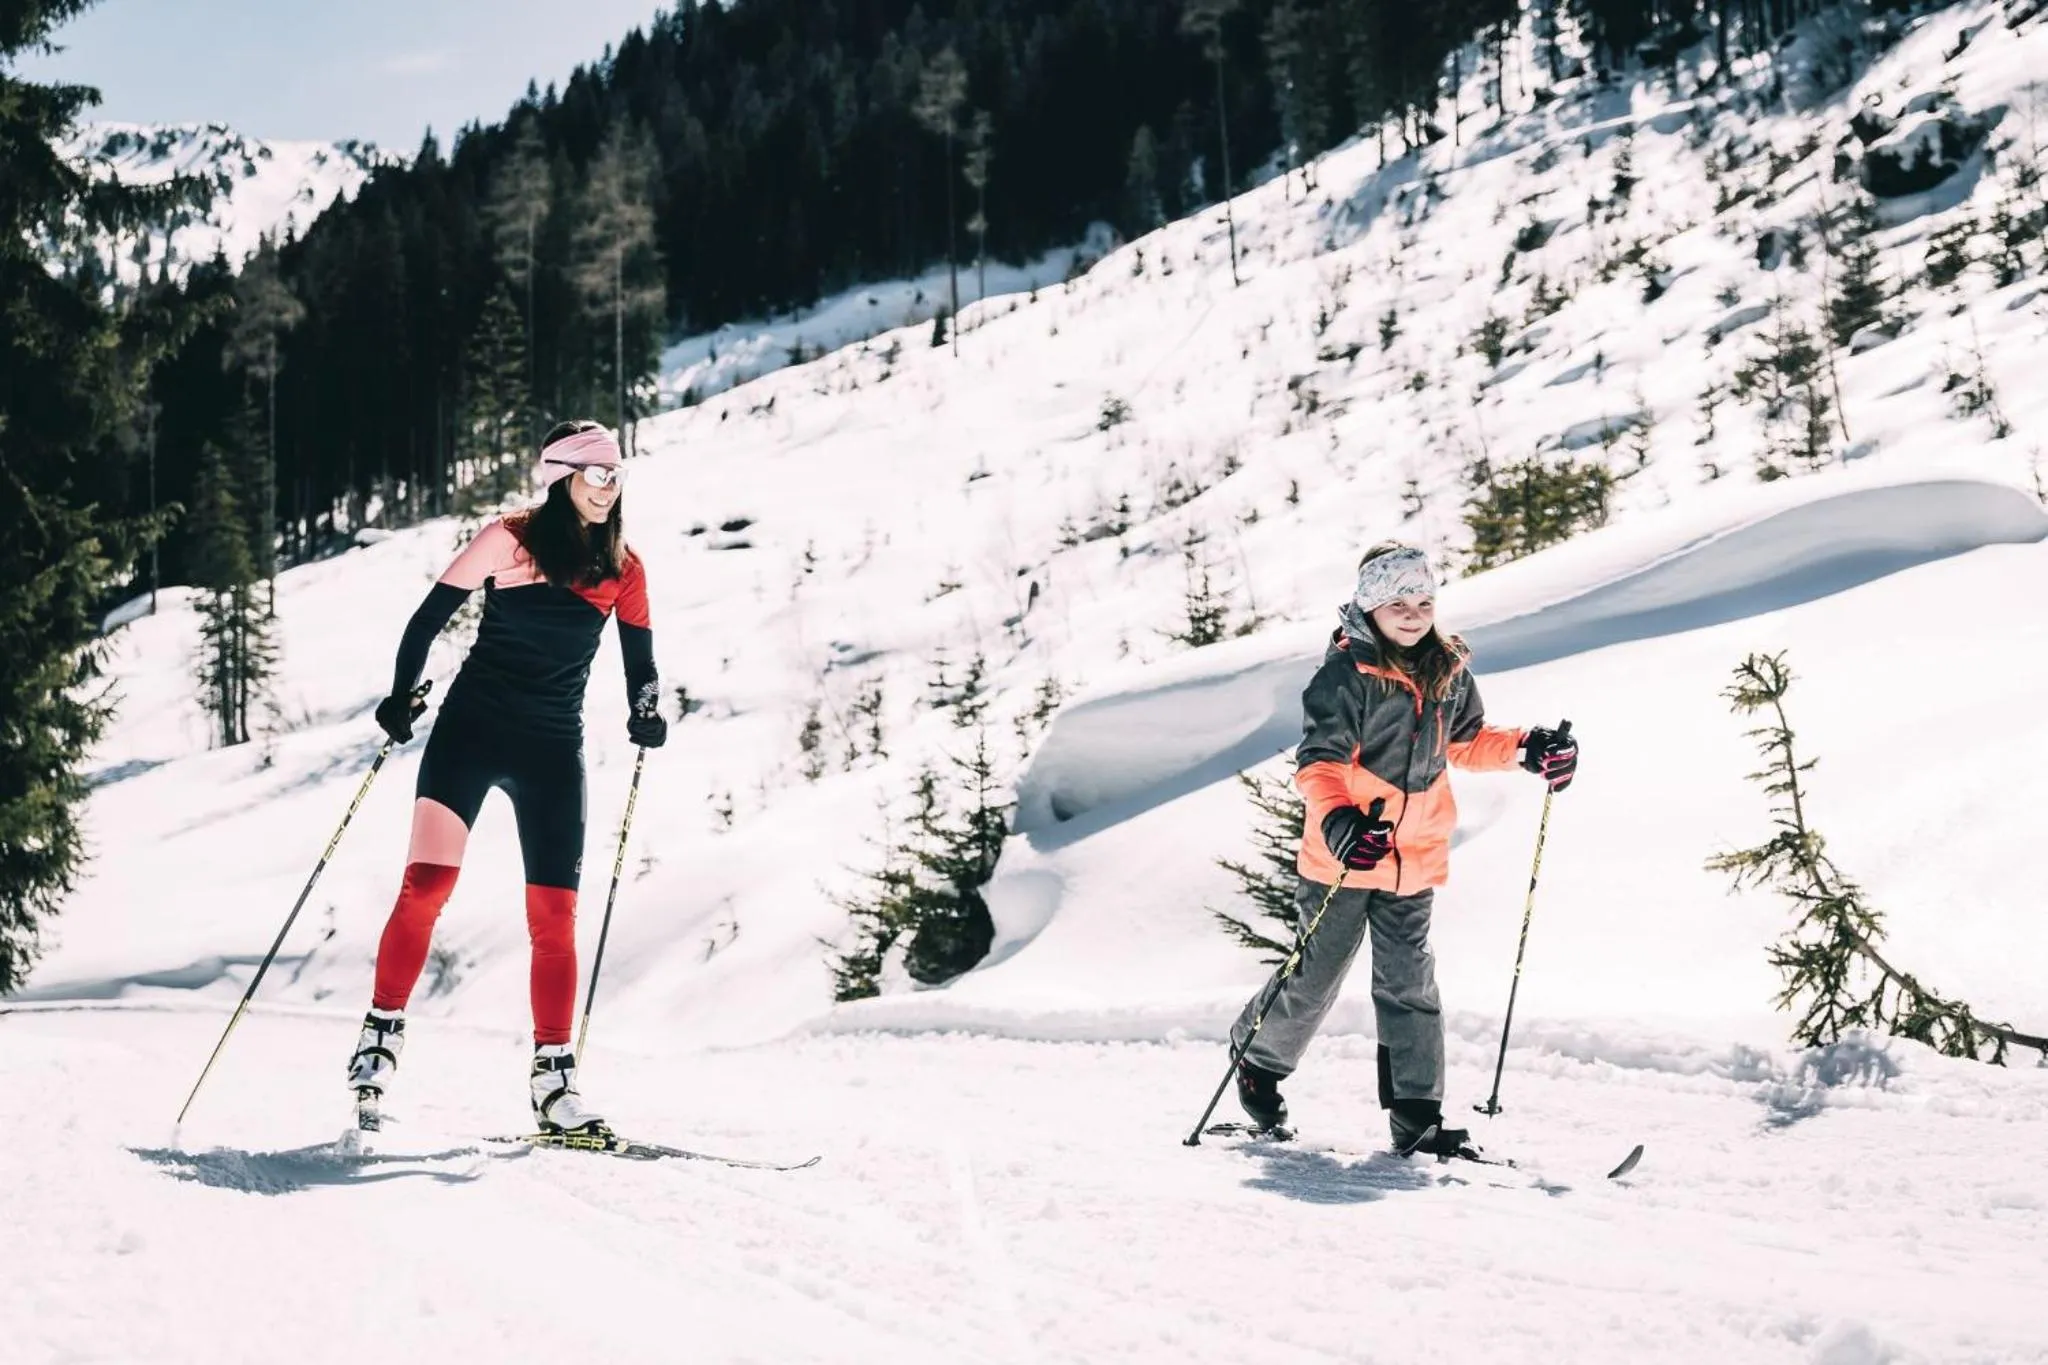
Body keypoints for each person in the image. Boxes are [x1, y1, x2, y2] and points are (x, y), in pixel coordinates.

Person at [347, 420, 668, 1135]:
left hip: (552, 747)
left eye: (617, 474)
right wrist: (401, 695)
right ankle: (381, 1031)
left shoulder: (626, 568)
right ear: (560, 476)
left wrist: (647, 711)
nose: (609, 487)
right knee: (426, 885)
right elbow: (428, 619)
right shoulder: (509, 538)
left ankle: (554, 1079)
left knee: (554, 918)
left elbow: (640, 665)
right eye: (597, 473)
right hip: (471, 731)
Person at [1228, 542, 1577, 1155]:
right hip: (1347, 856)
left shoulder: (1446, 669)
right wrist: (1340, 823)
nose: (1414, 614)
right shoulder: (1345, 676)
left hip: (1414, 858)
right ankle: (1256, 1058)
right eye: (1398, 603)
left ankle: (1417, 1115)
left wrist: (1527, 748)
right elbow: (1320, 764)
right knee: (1317, 976)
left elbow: (1465, 741)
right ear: (1370, 607)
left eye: (1423, 601)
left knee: (1409, 983)